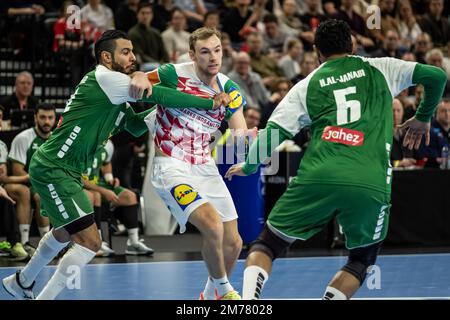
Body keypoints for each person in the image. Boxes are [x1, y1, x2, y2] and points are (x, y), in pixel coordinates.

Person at [225, 19, 447, 300]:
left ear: (317, 51)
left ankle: (248, 300)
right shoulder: (382, 68)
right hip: (370, 181)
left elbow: (272, 135)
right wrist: (424, 117)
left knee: (268, 244)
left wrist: (249, 165)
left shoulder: (307, 85)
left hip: (319, 174)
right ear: (353, 45)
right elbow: (437, 76)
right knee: (360, 260)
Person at [2, 29, 229, 300]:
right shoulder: (105, 78)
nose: (133, 57)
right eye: (125, 52)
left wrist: (166, 113)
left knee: (64, 231)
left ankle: (21, 281)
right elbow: (160, 96)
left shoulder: (117, 93)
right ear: (107, 57)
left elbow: (133, 125)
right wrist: (207, 102)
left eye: (133, 51)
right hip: (55, 167)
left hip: (67, 169)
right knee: (89, 242)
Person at [146, 27, 250, 300]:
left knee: (234, 242)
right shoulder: (172, 74)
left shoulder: (229, 88)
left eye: (217, 50)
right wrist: (135, 76)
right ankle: (226, 291)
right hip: (171, 166)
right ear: (192, 55)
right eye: (205, 52)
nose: (213, 57)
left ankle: (208, 295)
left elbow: (239, 131)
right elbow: (138, 82)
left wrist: (248, 145)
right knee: (212, 226)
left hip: (204, 165)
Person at [83, 140, 154, 256]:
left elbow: (106, 163)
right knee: (96, 196)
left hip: (98, 185)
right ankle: (96, 243)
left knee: (129, 196)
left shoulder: (109, 144)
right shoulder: (82, 141)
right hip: (80, 185)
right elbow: (77, 178)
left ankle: (133, 242)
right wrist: (103, 191)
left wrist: (109, 179)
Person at [7, 103, 55, 256]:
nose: (46, 121)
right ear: (35, 117)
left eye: (50, 117)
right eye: (42, 117)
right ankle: (25, 242)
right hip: (25, 182)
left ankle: (51, 244)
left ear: (55, 119)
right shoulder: (23, 138)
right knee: (38, 194)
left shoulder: (57, 140)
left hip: (49, 182)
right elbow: (17, 171)